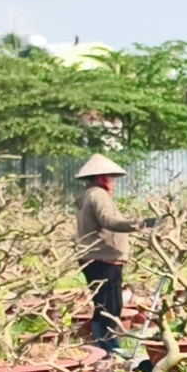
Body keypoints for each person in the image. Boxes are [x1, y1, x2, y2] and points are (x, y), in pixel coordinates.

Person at [72, 154, 156, 361]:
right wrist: (140, 223)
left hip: (95, 257)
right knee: (111, 306)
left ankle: (104, 348)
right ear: (102, 177)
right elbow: (109, 221)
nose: (114, 182)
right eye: (111, 177)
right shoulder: (98, 195)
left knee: (104, 305)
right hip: (103, 258)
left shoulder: (89, 195)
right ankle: (110, 349)